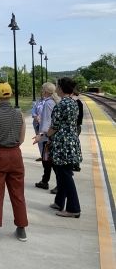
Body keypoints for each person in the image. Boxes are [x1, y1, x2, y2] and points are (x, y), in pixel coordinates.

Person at [0, 82, 28, 243]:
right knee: (18, 193)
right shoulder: (20, 115)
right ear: (11, 95)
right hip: (16, 155)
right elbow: (22, 139)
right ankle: (21, 229)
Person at [48, 77, 82, 218]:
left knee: (65, 175)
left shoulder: (60, 105)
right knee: (62, 173)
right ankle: (59, 201)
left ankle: (73, 208)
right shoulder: (74, 103)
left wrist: (47, 135)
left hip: (62, 145)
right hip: (72, 143)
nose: (56, 89)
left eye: (57, 87)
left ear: (60, 89)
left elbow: (54, 126)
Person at [32, 83, 61, 191]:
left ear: (45, 91)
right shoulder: (54, 101)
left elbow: (47, 121)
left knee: (50, 161)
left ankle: (55, 183)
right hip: (50, 135)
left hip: (47, 137)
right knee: (48, 160)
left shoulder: (48, 103)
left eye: (42, 90)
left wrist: (41, 134)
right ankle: (45, 180)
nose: (41, 91)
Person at [71, 91, 83, 172]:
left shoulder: (75, 103)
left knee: (72, 146)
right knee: (75, 146)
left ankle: (74, 164)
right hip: (77, 127)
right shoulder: (79, 102)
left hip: (74, 127)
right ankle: (76, 164)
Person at [31, 95, 45, 161]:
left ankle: (47, 156)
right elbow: (33, 111)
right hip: (37, 122)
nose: (43, 94)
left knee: (45, 139)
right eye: (42, 92)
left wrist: (42, 119)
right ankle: (42, 155)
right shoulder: (38, 102)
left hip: (45, 123)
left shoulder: (49, 102)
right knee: (39, 139)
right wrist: (36, 117)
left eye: (44, 92)